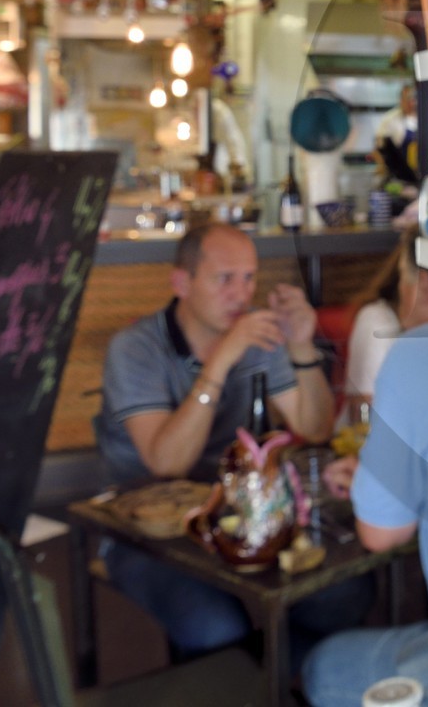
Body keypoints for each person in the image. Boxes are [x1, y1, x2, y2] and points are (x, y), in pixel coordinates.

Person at [94, 222, 373, 657]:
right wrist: (221, 360)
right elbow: (167, 464)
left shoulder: (258, 339)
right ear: (181, 283)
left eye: (248, 278)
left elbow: (315, 427)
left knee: (344, 596)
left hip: (245, 513)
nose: (241, 294)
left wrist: (300, 347)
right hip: (149, 528)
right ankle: (236, 678)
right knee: (213, 628)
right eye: (225, 279)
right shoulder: (135, 349)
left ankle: (260, 684)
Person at [301, 239, 428, 707]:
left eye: (403, 283)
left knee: (323, 669)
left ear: (427, 287)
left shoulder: (418, 349)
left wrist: (381, 478)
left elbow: (381, 534)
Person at [341, 234, 428, 413]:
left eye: (402, 276)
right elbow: (366, 420)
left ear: (424, 286)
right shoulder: (378, 323)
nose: (399, 287)